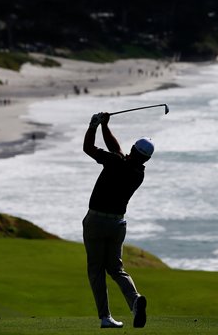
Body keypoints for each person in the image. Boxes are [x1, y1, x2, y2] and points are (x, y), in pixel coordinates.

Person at [82, 112, 152, 329]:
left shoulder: (115, 161)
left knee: (96, 270)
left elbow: (88, 148)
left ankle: (105, 317)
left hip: (96, 221)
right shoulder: (138, 173)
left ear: (132, 150)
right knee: (116, 269)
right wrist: (105, 126)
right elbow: (116, 150)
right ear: (147, 158)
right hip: (117, 225)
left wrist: (94, 126)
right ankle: (135, 300)